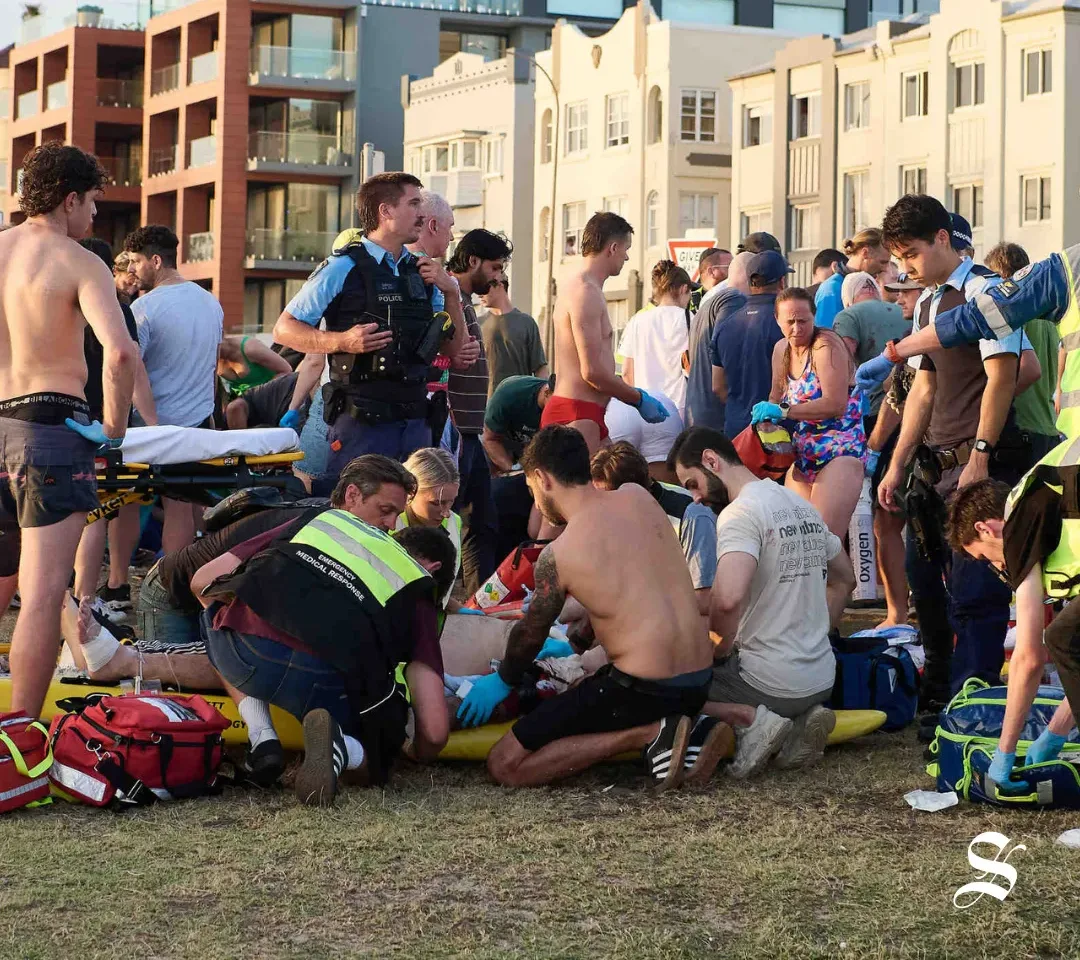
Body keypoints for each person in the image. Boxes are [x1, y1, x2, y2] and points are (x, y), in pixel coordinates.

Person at [457, 426, 727, 790]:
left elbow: (529, 635)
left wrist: (503, 679)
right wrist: (576, 643)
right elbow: (629, 592)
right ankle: (693, 725)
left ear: (541, 478)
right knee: (585, 687)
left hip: (643, 690)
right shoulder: (637, 496)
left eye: (531, 490)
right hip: (698, 679)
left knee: (506, 764)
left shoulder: (559, 555)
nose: (536, 500)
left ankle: (648, 733)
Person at [80, 457, 413, 701]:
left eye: (397, 515)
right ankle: (105, 656)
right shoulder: (309, 528)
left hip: (213, 583)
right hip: (172, 590)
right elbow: (209, 584)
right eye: (385, 511)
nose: (392, 525)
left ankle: (106, 650)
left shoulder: (332, 526)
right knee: (206, 675)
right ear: (352, 495)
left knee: (237, 663)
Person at [870, 194, 1028, 708]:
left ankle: (971, 707)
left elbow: (1006, 375)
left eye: (911, 254)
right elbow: (923, 389)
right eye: (899, 259)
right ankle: (938, 698)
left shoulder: (988, 291)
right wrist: (896, 464)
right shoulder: (929, 301)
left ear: (942, 238)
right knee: (928, 590)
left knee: (976, 598)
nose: (907, 267)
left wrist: (980, 457)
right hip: (931, 468)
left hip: (977, 463)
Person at [0, 142, 137, 717]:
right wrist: (113, 427)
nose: (96, 217)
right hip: (49, 428)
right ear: (69, 198)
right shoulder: (79, 261)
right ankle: (20, 738)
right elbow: (121, 354)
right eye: (94, 203)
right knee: (40, 595)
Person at [196, 506, 456, 804]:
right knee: (380, 750)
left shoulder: (328, 520)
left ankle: (262, 736)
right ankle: (344, 748)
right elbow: (435, 731)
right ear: (434, 569)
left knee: (214, 615)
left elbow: (201, 582)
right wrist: (415, 751)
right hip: (322, 681)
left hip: (245, 653)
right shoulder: (417, 585)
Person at [669, 427, 855, 777]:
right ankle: (802, 720)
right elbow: (846, 579)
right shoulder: (801, 506)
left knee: (663, 686)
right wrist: (820, 633)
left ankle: (754, 722)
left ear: (711, 461)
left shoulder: (739, 515)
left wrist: (718, 651)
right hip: (821, 679)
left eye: (692, 483)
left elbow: (726, 600)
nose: (694, 498)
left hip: (766, 683)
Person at [272, 172, 469, 493]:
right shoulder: (342, 266)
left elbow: (455, 353)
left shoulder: (424, 272)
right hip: (362, 424)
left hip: (416, 423)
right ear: (386, 211)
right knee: (359, 515)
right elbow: (283, 329)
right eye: (414, 203)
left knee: (414, 521)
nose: (421, 213)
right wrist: (341, 341)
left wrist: (451, 293)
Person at [946, 473, 1080, 793]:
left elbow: (1029, 658)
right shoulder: (1042, 495)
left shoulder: (1016, 524)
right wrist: (1055, 733)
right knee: (1067, 635)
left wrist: (1004, 752)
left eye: (985, 556)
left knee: (1063, 638)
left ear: (985, 528)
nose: (997, 566)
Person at [71, 237, 157, 617]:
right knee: (102, 509)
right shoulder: (117, 311)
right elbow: (130, 367)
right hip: (101, 419)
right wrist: (149, 425)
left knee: (67, 514)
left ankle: (69, 596)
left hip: (60, 414)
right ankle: (92, 599)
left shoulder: (60, 300)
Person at [125, 224, 224, 553]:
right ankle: (172, 587)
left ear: (155, 260)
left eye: (135, 261)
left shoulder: (143, 308)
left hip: (149, 423)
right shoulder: (211, 303)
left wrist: (149, 424)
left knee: (124, 504)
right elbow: (212, 367)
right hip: (195, 423)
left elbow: (131, 370)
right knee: (181, 507)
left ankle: (117, 584)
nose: (130, 270)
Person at [543, 212, 669, 454]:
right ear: (612, 248)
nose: (627, 256)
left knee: (614, 482)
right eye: (626, 248)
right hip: (576, 412)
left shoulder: (585, 288)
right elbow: (591, 371)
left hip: (586, 413)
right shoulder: (585, 292)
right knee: (587, 490)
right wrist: (637, 398)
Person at [753, 288, 866, 537]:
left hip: (839, 453)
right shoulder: (781, 349)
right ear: (777, 320)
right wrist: (765, 422)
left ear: (814, 317)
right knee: (802, 544)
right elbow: (775, 395)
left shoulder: (825, 344)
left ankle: (846, 579)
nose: (796, 328)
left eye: (803, 321)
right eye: (789, 322)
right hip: (803, 454)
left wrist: (782, 411)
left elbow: (835, 404)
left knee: (824, 540)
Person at [445, 229, 513, 594]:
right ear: (473, 261)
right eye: (495, 267)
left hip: (470, 431)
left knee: (482, 525)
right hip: (455, 431)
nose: (498, 277)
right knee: (449, 519)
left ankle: (476, 604)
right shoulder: (447, 295)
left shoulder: (462, 299)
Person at [590, 441, 717, 615]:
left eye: (607, 499)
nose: (602, 507)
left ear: (633, 491)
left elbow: (704, 600)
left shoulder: (692, 514)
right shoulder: (611, 515)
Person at [985, 242, 1061, 463]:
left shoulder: (1013, 314)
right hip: (1048, 426)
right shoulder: (1047, 315)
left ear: (1002, 276)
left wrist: (995, 402)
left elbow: (1029, 370)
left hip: (1022, 427)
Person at [711, 250, 787, 438]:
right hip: (777, 432)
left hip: (736, 430)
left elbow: (717, 386)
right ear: (782, 282)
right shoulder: (787, 324)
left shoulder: (726, 325)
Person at [832, 271, 910, 426]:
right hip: (914, 405)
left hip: (879, 411)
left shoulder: (847, 316)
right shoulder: (904, 311)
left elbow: (842, 367)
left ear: (848, 299)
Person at [686, 251, 750, 432]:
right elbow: (722, 356)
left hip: (699, 416)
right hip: (717, 421)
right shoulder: (734, 300)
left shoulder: (708, 303)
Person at [620, 260, 692, 418]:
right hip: (678, 409)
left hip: (644, 408)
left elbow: (626, 372)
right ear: (684, 289)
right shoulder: (690, 319)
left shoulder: (637, 321)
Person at [395, 447, 462, 608]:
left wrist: (457, 608)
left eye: (451, 501)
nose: (446, 513)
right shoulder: (388, 526)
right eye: (435, 503)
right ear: (411, 492)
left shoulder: (454, 522)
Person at [223, 351, 325, 431]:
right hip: (303, 385)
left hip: (299, 392)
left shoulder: (241, 405)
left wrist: (242, 445)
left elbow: (234, 407)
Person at [814, 229, 891, 330]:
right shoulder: (832, 289)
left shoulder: (865, 285)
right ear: (865, 253)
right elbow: (828, 337)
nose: (885, 269)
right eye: (883, 262)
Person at [480, 278, 547, 393]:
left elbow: (540, 368)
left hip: (520, 400)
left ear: (499, 285)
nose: (480, 294)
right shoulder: (478, 324)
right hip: (487, 404)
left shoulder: (526, 323)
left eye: (484, 288)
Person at [482, 374, 553, 473]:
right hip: (502, 442)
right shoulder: (508, 396)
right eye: (556, 404)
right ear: (546, 392)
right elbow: (490, 439)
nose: (559, 410)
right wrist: (512, 470)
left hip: (531, 448)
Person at [217, 335, 293, 398]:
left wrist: (259, 395)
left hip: (268, 397)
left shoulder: (250, 348)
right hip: (238, 405)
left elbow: (286, 370)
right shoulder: (210, 360)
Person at [688, 247, 732, 316]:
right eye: (730, 266)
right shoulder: (687, 301)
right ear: (711, 272)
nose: (734, 270)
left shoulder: (736, 296)